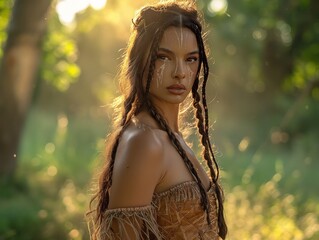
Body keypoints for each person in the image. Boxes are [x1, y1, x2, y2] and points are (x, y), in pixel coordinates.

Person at [87, 1, 227, 239]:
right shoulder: (145, 141)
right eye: (164, 57)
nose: (180, 72)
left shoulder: (169, 137)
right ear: (140, 59)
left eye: (191, 59)